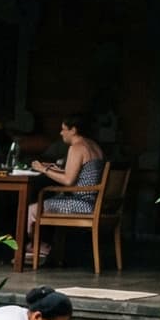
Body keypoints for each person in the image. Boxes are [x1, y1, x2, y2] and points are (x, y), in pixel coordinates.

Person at [24, 114, 106, 266]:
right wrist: (55, 169)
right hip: (91, 201)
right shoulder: (93, 145)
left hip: (81, 204)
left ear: (73, 130)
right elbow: (77, 175)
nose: (61, 133)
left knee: (31, 210)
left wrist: (43, 169)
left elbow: (68, 181)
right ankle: (48, 249)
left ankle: (40, 248)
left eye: (63, 129)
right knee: (48, 200)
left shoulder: (77, 147)